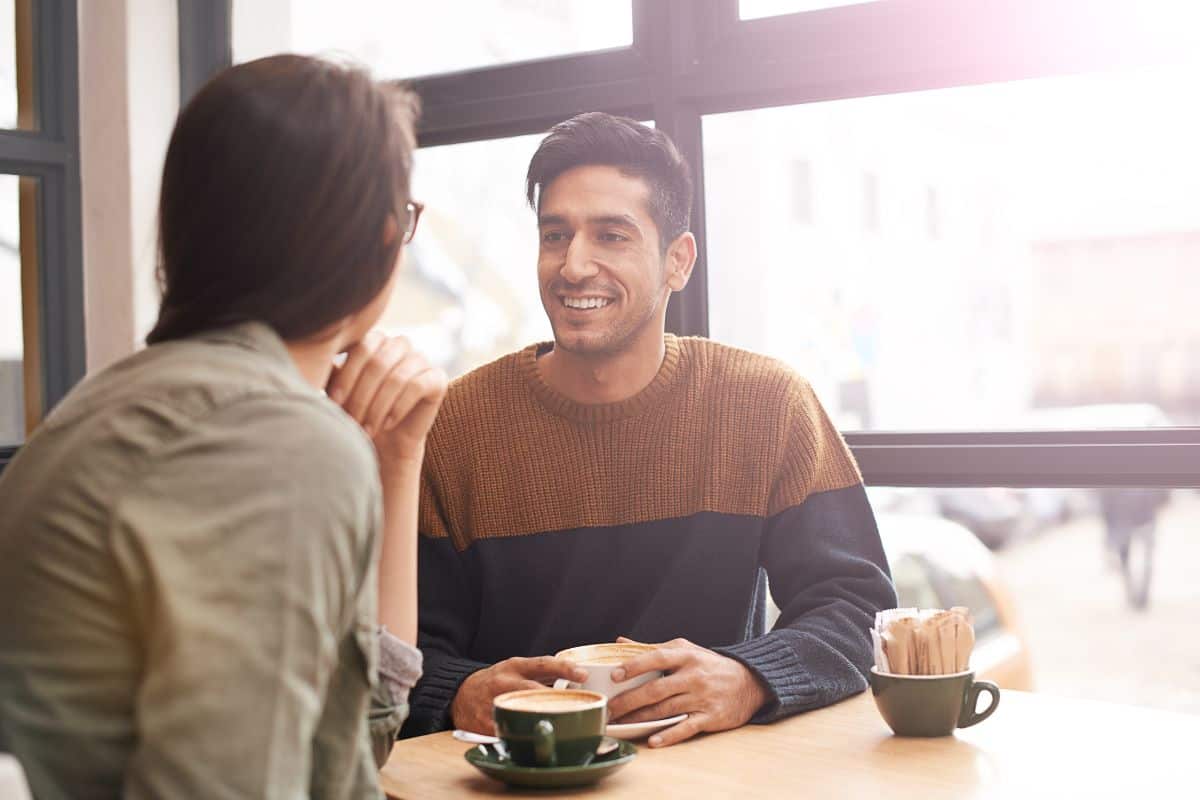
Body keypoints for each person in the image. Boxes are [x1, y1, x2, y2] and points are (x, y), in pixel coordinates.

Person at [0, 55, 446, 798]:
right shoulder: (268, 439)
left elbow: (355, 742)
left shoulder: (124, 399)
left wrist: (396, 458)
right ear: (377, 237)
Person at [402, 112, 896, 747]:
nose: (573, 265)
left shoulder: (766, 404)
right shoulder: (457, 426)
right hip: (518, 781)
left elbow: (861, 610)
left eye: (611, 236)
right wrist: (459, 692)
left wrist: (748, 677)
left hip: (709, 778)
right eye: (556, 235)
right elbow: (398, 649)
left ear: (677, 261)